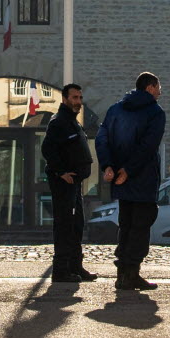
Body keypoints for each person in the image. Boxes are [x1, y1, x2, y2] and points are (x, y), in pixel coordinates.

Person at [95, 72, 166, 291]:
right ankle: (131, 273)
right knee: (141, 225)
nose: (160, 91)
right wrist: (129, 170)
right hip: (141, 178)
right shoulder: (155, 113)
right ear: (151, 87)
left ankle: (122, 273)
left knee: (125, 224)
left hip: (120, 179)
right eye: (159, 86)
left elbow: (102, 137)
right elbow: (148, 146)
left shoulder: (115, 110)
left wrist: (109, 166)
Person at [40, 83, 96, 284]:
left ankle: (75, 267)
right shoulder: (59, 122)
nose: (78, 102)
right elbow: (47, 149)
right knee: (65, 225)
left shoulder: (73, 122)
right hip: (64, 184)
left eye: (80, 98)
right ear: (65, 99)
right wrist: (61, 172)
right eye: (74, 98)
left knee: (76, 225)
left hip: (74, 185)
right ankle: (61, 270)